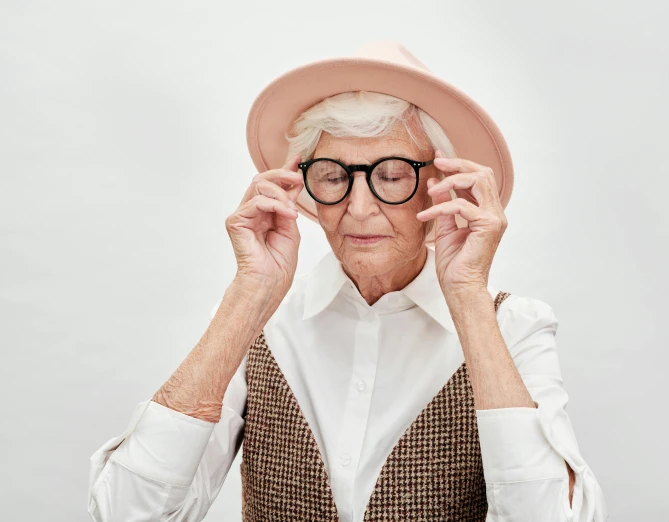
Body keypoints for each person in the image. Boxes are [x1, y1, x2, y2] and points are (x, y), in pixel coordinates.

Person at [87, 41, 607, 522]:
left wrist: (468, 294)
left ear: (439, 188)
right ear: (306, 188)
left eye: (392, 175)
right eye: (334, 176)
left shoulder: (514, 328)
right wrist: (248, 295)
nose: (358, 209)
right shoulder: (261, 325)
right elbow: (127, 514)